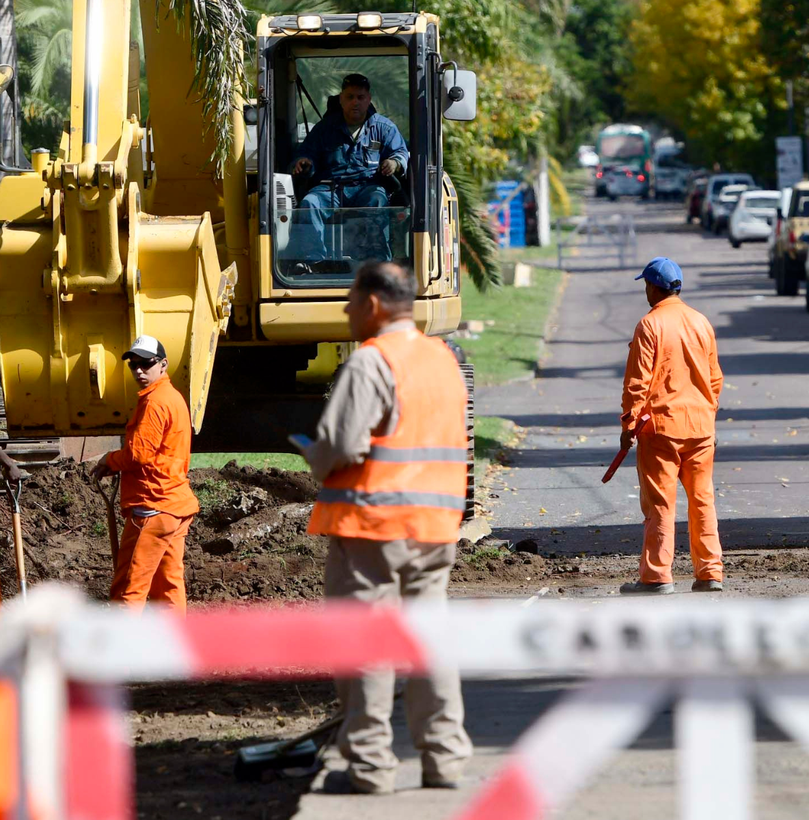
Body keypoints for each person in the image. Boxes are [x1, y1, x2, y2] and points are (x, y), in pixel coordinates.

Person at [300, 261, 472, 795]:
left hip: (372, 524)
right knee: (429, 643)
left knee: (366, 644)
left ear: (374, 304)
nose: (348, 312)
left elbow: (338, 445)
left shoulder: (370, 362)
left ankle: (371, 767)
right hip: (436, 524)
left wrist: (315, 457)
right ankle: (445, 759)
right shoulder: (443, 358)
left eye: (350, 302)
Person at [618, 257, 725, 595]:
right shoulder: (701, 322)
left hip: (661, 430)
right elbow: (715, 378)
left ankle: (656, 577)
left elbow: (637, 382)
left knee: (661, 504)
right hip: (700, 429)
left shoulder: (649, 325)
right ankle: (709, 573)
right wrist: (707, 413)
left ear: (653, 287)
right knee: (702, 499)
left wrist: (629, 424)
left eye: (646, 285)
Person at [89, 336, 199, 614]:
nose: (139, 370)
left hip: (152, 508)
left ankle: (120, 655)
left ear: (163, 364)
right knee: (168, 587)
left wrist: (109, 460)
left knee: (129, 588)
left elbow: (138, 454)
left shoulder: (155, 402)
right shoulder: (172, 397)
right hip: (173, 506)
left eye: (146, 363)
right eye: (133, 365)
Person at [289, 73, 409, 271]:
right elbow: (307, 153)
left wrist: (394, 163)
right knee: (310, 202)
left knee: (377, 200)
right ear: (341, 99)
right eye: (350, 97)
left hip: (367, 187)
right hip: (330, 190)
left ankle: (377, 262)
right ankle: (313, 262)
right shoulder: (325, 129)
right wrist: (304, 162)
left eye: (360, 97)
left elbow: (401, 153)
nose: (355, 102)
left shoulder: (384, 128)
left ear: (368, 99)